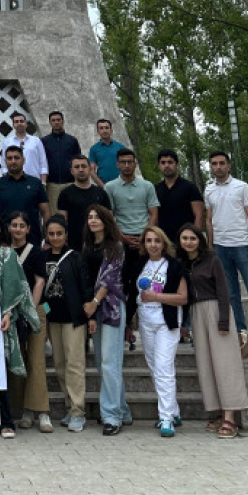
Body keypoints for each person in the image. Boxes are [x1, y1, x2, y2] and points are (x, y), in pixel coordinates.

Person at [178, 223, 248, 437]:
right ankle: (217, 413)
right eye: (185, 238)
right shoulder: (182, 264)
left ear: (199, 240)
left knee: (225, 364)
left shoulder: (212, 260)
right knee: (206, 365)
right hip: (196, 313)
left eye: (193, 238)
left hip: (216, 310)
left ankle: (230, 418)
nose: (189, 242)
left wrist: (224, 320)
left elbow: (223, 290)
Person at [204, 151, 248, 354]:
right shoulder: (209, 189)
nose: (218, 167)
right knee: (231, 295)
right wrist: (210, 247)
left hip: (242, 246)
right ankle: (240, 336)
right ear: (211, 167)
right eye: (214, 164)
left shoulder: (241, 186)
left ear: (229, 165)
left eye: (222, 163)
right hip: (220, 248)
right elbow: (209, 220)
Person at [0, 211, 36, 439]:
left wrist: (8, 313)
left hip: (0, 320)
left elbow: (13, 287)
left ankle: (6, 422)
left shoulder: (7, 254)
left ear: (0, 228)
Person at [125, 226, 189, 438]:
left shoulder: (174, 265)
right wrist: (128, 323)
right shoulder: (139, 265)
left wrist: (156, 297)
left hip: (166, 323)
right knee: (154, 367)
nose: (153, 245)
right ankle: (173, 411)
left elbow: (183, 298)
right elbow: (133, 295)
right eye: (149, 241)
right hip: (146, 322)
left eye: (157, 241)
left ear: (164, 243)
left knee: (163, 367)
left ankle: (166, 418)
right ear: (144, 244)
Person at [83, 205, 132, 436]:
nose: (93, 220)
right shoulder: (87, 246)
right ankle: (122, 409)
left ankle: (112, 416)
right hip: (93, 309)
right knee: (102, 362)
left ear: (105, 220)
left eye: (97, 217)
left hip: (111, 307)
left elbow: (110, 278)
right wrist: (90, 307)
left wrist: (94, 302)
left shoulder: (116, 246)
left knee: (110, 361)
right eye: (90, 217)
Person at [42, 216, 93, 432]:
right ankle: (68, 405)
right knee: (60, 365)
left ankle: (78, 410)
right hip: (53, 318)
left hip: (74, 319)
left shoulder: (75, 258)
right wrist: (44, 313)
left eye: (59, 234)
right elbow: (40, 291)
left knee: (74, 364)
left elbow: (86, 287)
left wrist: (89, 317)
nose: (55, 238)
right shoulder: (42, 257)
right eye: (51, 234)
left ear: (66, 235)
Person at [106, 147, 159, 350]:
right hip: (121, 242)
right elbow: (109, 216)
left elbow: (153, 213)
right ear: (118, 164)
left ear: (135, 164)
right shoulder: (110, 187)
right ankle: (123, 326)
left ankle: (129, 323)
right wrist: (121, 237)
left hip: (144, 242)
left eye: (130, 162)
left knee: (141, 284)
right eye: (123, 162)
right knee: (122, 285)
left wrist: (145, 237)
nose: (127, 165)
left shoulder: (147, 186)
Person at [6, 211, 52, 433]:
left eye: (21, 225)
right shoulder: (4, 252)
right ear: (8, 227)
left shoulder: (35, 252)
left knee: (36, 361)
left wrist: (30, 311)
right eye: (14, 225)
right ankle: (24, 410)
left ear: (28, 229)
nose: (17, 229)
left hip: (34, 311)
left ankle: (42, 411)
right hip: (10, 315)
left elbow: (40, 282)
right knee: (18, 360)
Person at [0, 146, 50, 246]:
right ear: (5, 162)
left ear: (23, 160)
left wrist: (47, 240)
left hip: (32, 241)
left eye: (16, 158)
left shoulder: (36, 183)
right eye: (10, 158)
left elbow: (46, 213)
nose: (13, 161)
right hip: (5, 242)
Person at [57, 154, 111, 253]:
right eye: (77, 167)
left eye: (84, 166)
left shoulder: (101, 193)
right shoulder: (65, 194)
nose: (81, 170)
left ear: (90, 169)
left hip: (99, 245)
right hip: (74, 245)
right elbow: (62, 221)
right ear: (72, 171)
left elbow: (109, 219)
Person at [155, 149, 204, 245]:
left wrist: (194, 239)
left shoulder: (190, 187)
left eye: (170, 162)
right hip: (163, 242)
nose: (166, 165)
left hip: (185, 242)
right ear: (159, 166)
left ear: (177, 165)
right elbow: (154, 216)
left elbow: (199, 216)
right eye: (163, 163)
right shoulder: (155, 189)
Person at [41, 111, 82, 213]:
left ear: (63, 121)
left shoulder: (72, 140)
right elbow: (42, 162)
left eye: (58, 120)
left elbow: (78, 160)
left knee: (73, 211)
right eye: (53, 120)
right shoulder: (44, 141)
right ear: (50, 123)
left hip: (70, 182)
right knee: (55, 213)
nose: (56, 122)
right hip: (52, 184)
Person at [0, 111, 47, 182]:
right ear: (13, 125)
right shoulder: (7, 142)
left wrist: (43, 182)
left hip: (34, 180)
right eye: (16, 122)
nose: (19, 123)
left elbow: (43, 163)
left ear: (26, 124)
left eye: (21, 121)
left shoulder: (36, 141)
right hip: (13, 181)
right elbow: (4, 164)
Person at [89, 119, 126, 186]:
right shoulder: (93, 149)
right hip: (103, 186)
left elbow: (127, 166)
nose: (104, 130)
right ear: (98, 131)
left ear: (111, 130)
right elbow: (91, 171)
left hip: (121, 185)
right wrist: (103, 186)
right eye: (101, 128)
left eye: (107, 128)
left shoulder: (121, 147)